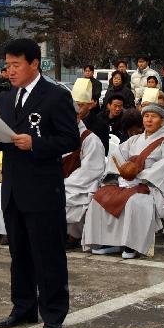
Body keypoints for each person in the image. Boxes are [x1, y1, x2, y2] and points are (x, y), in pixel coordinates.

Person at [0, 37, 80, 328]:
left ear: (33, 64)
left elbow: (70, 140)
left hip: (43, 188)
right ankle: (23, 307)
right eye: (7, 65)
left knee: (47, 253)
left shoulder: (55, 96)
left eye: (16, 65)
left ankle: (53, 312)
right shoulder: (9, 98)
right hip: (14, 186)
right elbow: (9, 135)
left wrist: (36, 143)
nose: (10, 71)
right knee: (19, 252)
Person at [83, 104, 164, 258]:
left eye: (153, 117)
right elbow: (117, 155)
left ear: (162, 121)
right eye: (146, 116)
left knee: (134, 201)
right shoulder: (134, 140)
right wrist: (121, 174)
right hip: (127, 181)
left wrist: (139, 177)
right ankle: (109, 241)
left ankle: (132, 244)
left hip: (149, 186)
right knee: (100, 196)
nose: (149, 120)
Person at [64, 80, 106, 249]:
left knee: (68, 198)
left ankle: (72, 234)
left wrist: (64, 183)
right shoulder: (58, 136)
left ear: (77, 117)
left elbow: (90, 170)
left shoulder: (91, 139)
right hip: (58, 181)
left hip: (80, 185)